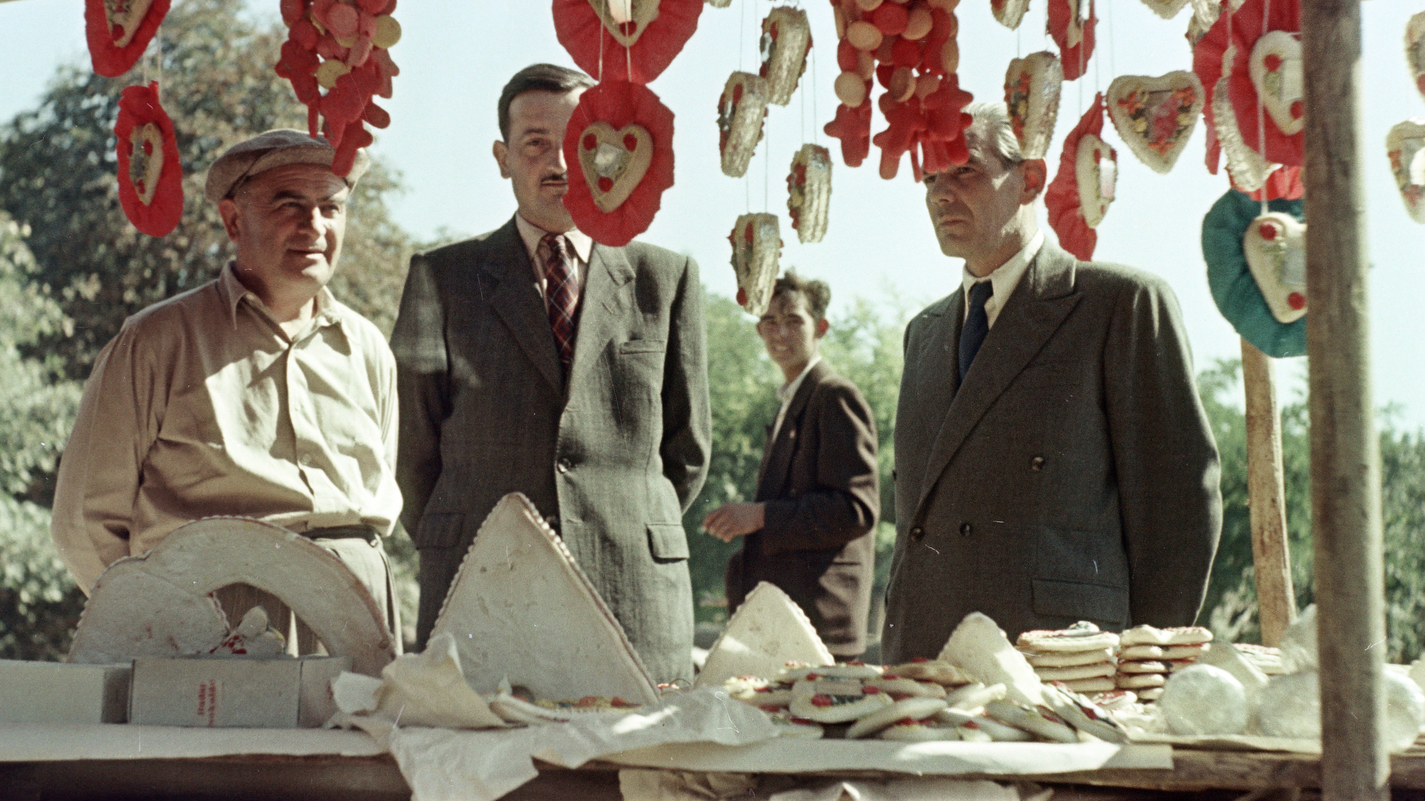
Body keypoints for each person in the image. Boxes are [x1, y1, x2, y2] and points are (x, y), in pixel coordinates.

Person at [391, 63, 711, 684]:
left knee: (634, 775)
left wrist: (616, 518)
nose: (561, 162)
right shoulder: (441, 278)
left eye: (581, 140)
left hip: (632, 590)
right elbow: (413, 452)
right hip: (482, 586)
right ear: (502, 157)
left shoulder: (664, 279)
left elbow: (687, 453)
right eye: (536, 142)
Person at [882, 102, 1222, 662]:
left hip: (1060, 668)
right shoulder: (925, 333)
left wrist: (1144, 665)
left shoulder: (1119, 305)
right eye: (930, 177)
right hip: (922, 658)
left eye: (964, 170)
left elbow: (1180, 504)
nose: (941, 193)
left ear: (1030, 179)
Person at [50, 130, 403, 652]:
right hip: (217, 628)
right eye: (291, 205)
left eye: (331, 207)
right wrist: (161, 624)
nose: (315, 226)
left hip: (357, 619)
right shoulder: (156, 341)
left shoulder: (367, 348)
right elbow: (83, 521)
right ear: (234, 220)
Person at [704, 271, 880, 659]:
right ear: (758, 332)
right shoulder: (792, 401)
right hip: (784, 624)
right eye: (769, 321)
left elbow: (857, 510)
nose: (779, 332)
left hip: (819, 627)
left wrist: (761, 516)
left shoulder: (834, 396)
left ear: (821, 327)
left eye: (793, 320)